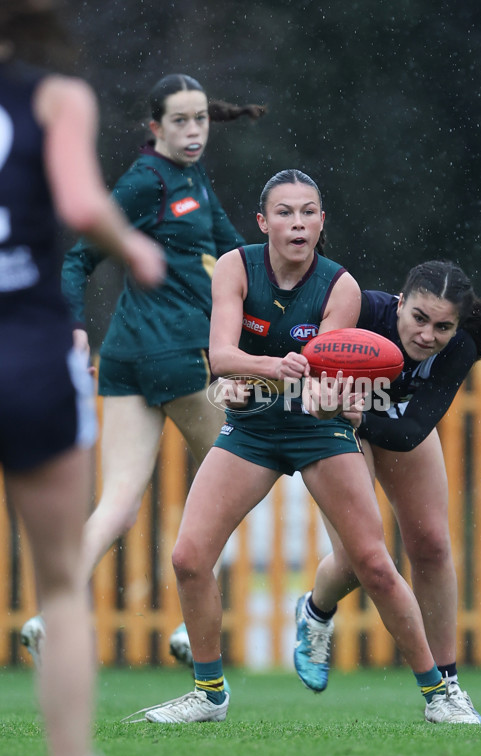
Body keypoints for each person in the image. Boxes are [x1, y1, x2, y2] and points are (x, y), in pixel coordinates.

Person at [125, 170, 481, 725]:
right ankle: (209, 693)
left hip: (322, 430)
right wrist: (250, 380)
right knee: (187, 557)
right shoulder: (234, 267)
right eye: (286, 213)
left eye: (309, 212)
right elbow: (220, 358)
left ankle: (440, 695)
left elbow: (328, 376)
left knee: (374, 563)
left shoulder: (341, 287)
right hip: (254, 428)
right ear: (263, 222)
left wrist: (321, 394)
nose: (298, 223)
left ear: (321, 222)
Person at [20, 72, 266, 665]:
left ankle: (48, 613)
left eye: (201, 118)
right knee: (243, 475)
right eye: (180, 120)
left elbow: (235, 254)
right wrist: (73, 325)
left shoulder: (193, 178)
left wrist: (282, 275)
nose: (193, 130)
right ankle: (194, 628)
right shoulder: (143, 181)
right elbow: (77, 259)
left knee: (120, 504)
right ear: (154, 127)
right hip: (174, 356)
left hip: (130, 360)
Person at [0, 2, 165, 756]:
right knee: (61, 584)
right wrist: (131, 244)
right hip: (27, 352)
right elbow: (76, 203)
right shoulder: (57, 96)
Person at [293, 259, 481, 722]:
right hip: (337, 426)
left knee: (434, 546)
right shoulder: (362, 316)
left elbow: (412, 429)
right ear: (399, 303)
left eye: (442, 326)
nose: (426, 335)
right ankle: (316, 612)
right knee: (363, 560)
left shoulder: (458, 348)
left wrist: (363, 416)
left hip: (390, 425)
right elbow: (301, 357)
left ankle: (448, 686)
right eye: (418, 318)